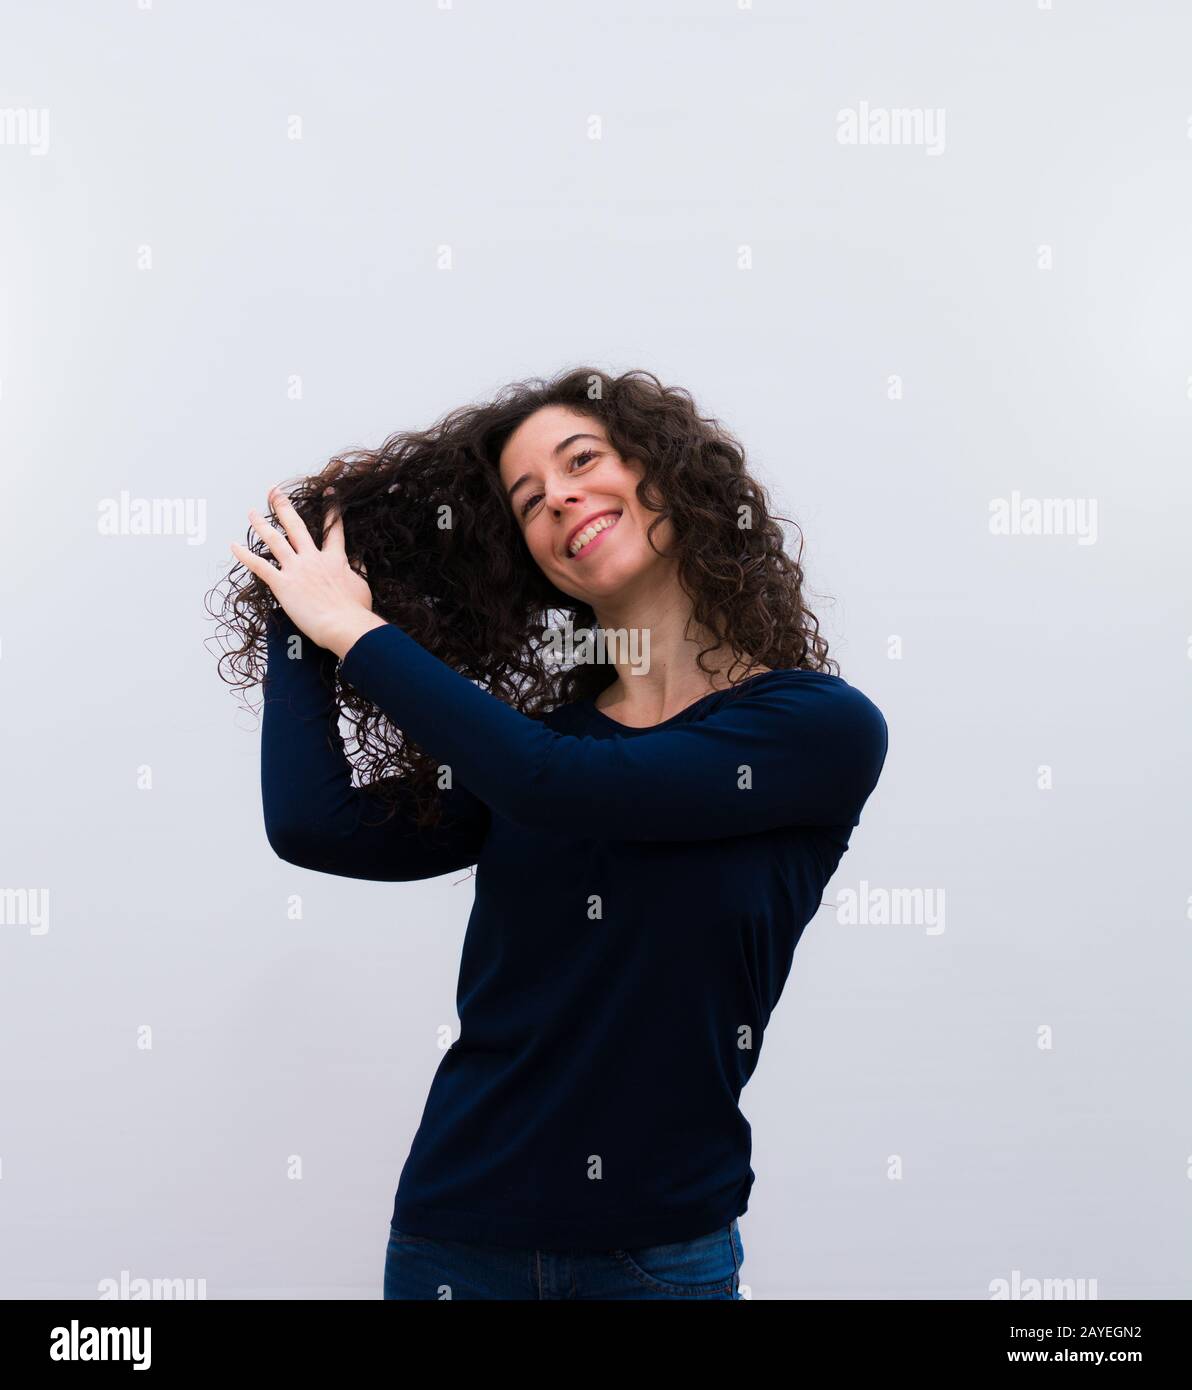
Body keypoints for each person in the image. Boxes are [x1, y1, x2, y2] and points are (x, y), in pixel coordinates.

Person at [214, 367, 889, 1300]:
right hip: (454, 1236)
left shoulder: (815, 729)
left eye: (583, 460)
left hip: (656, 1256)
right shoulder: (538, 750)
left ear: (669, 475)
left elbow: (568, 787)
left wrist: (352, 629)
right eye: (529, 501)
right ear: (530, 558)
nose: (560, 497)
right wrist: (297, 617)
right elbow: (315, 827)